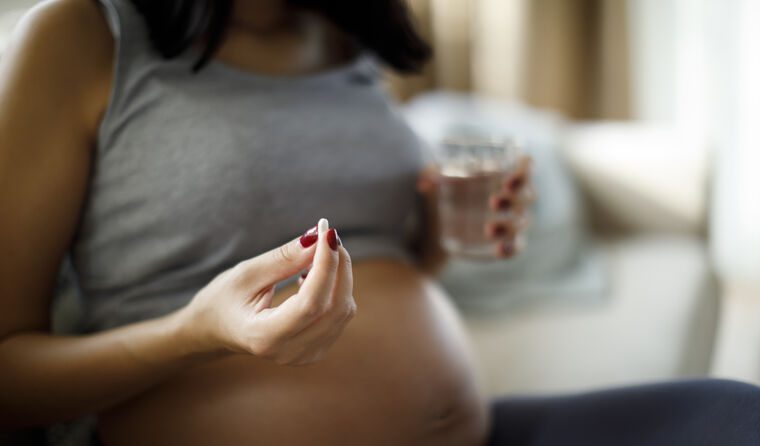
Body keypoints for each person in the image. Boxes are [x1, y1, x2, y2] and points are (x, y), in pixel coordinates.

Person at [0, 0, 758, 445]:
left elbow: (387, 273)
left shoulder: (345, 38)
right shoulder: (79, 36)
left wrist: (437, 235)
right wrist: (196, 332)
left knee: (732, 415)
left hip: (468, 433)